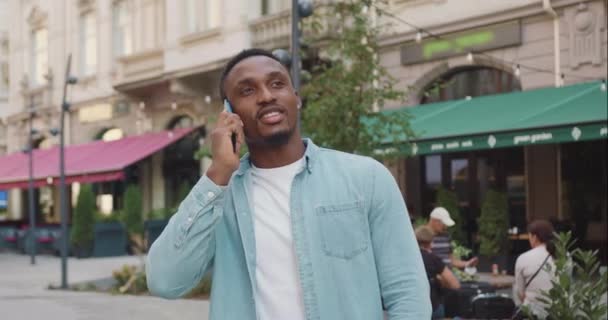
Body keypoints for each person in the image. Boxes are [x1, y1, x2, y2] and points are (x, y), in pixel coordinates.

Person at [146, 48, 431, 320]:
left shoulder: (366, 178)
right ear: (230, 114)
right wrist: (218, 172)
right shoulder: (220, 197)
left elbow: (407, 292)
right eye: (248, 90)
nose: (266, 96)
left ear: (296, 98)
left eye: (277, 84)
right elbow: (164, 280)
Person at [512, 220, 556, 319]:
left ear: (534, 237)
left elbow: (520, 292)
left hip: (532, 312)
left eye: (529, 236)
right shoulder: (564, 257)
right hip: (556, 312)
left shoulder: (523, 258)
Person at [416, 226, 461, 319]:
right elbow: (455, 284)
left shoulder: (406, 259)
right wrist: (439, 280)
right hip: (432, 307)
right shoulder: (433, 259)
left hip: (412, 307)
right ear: (429, 243)